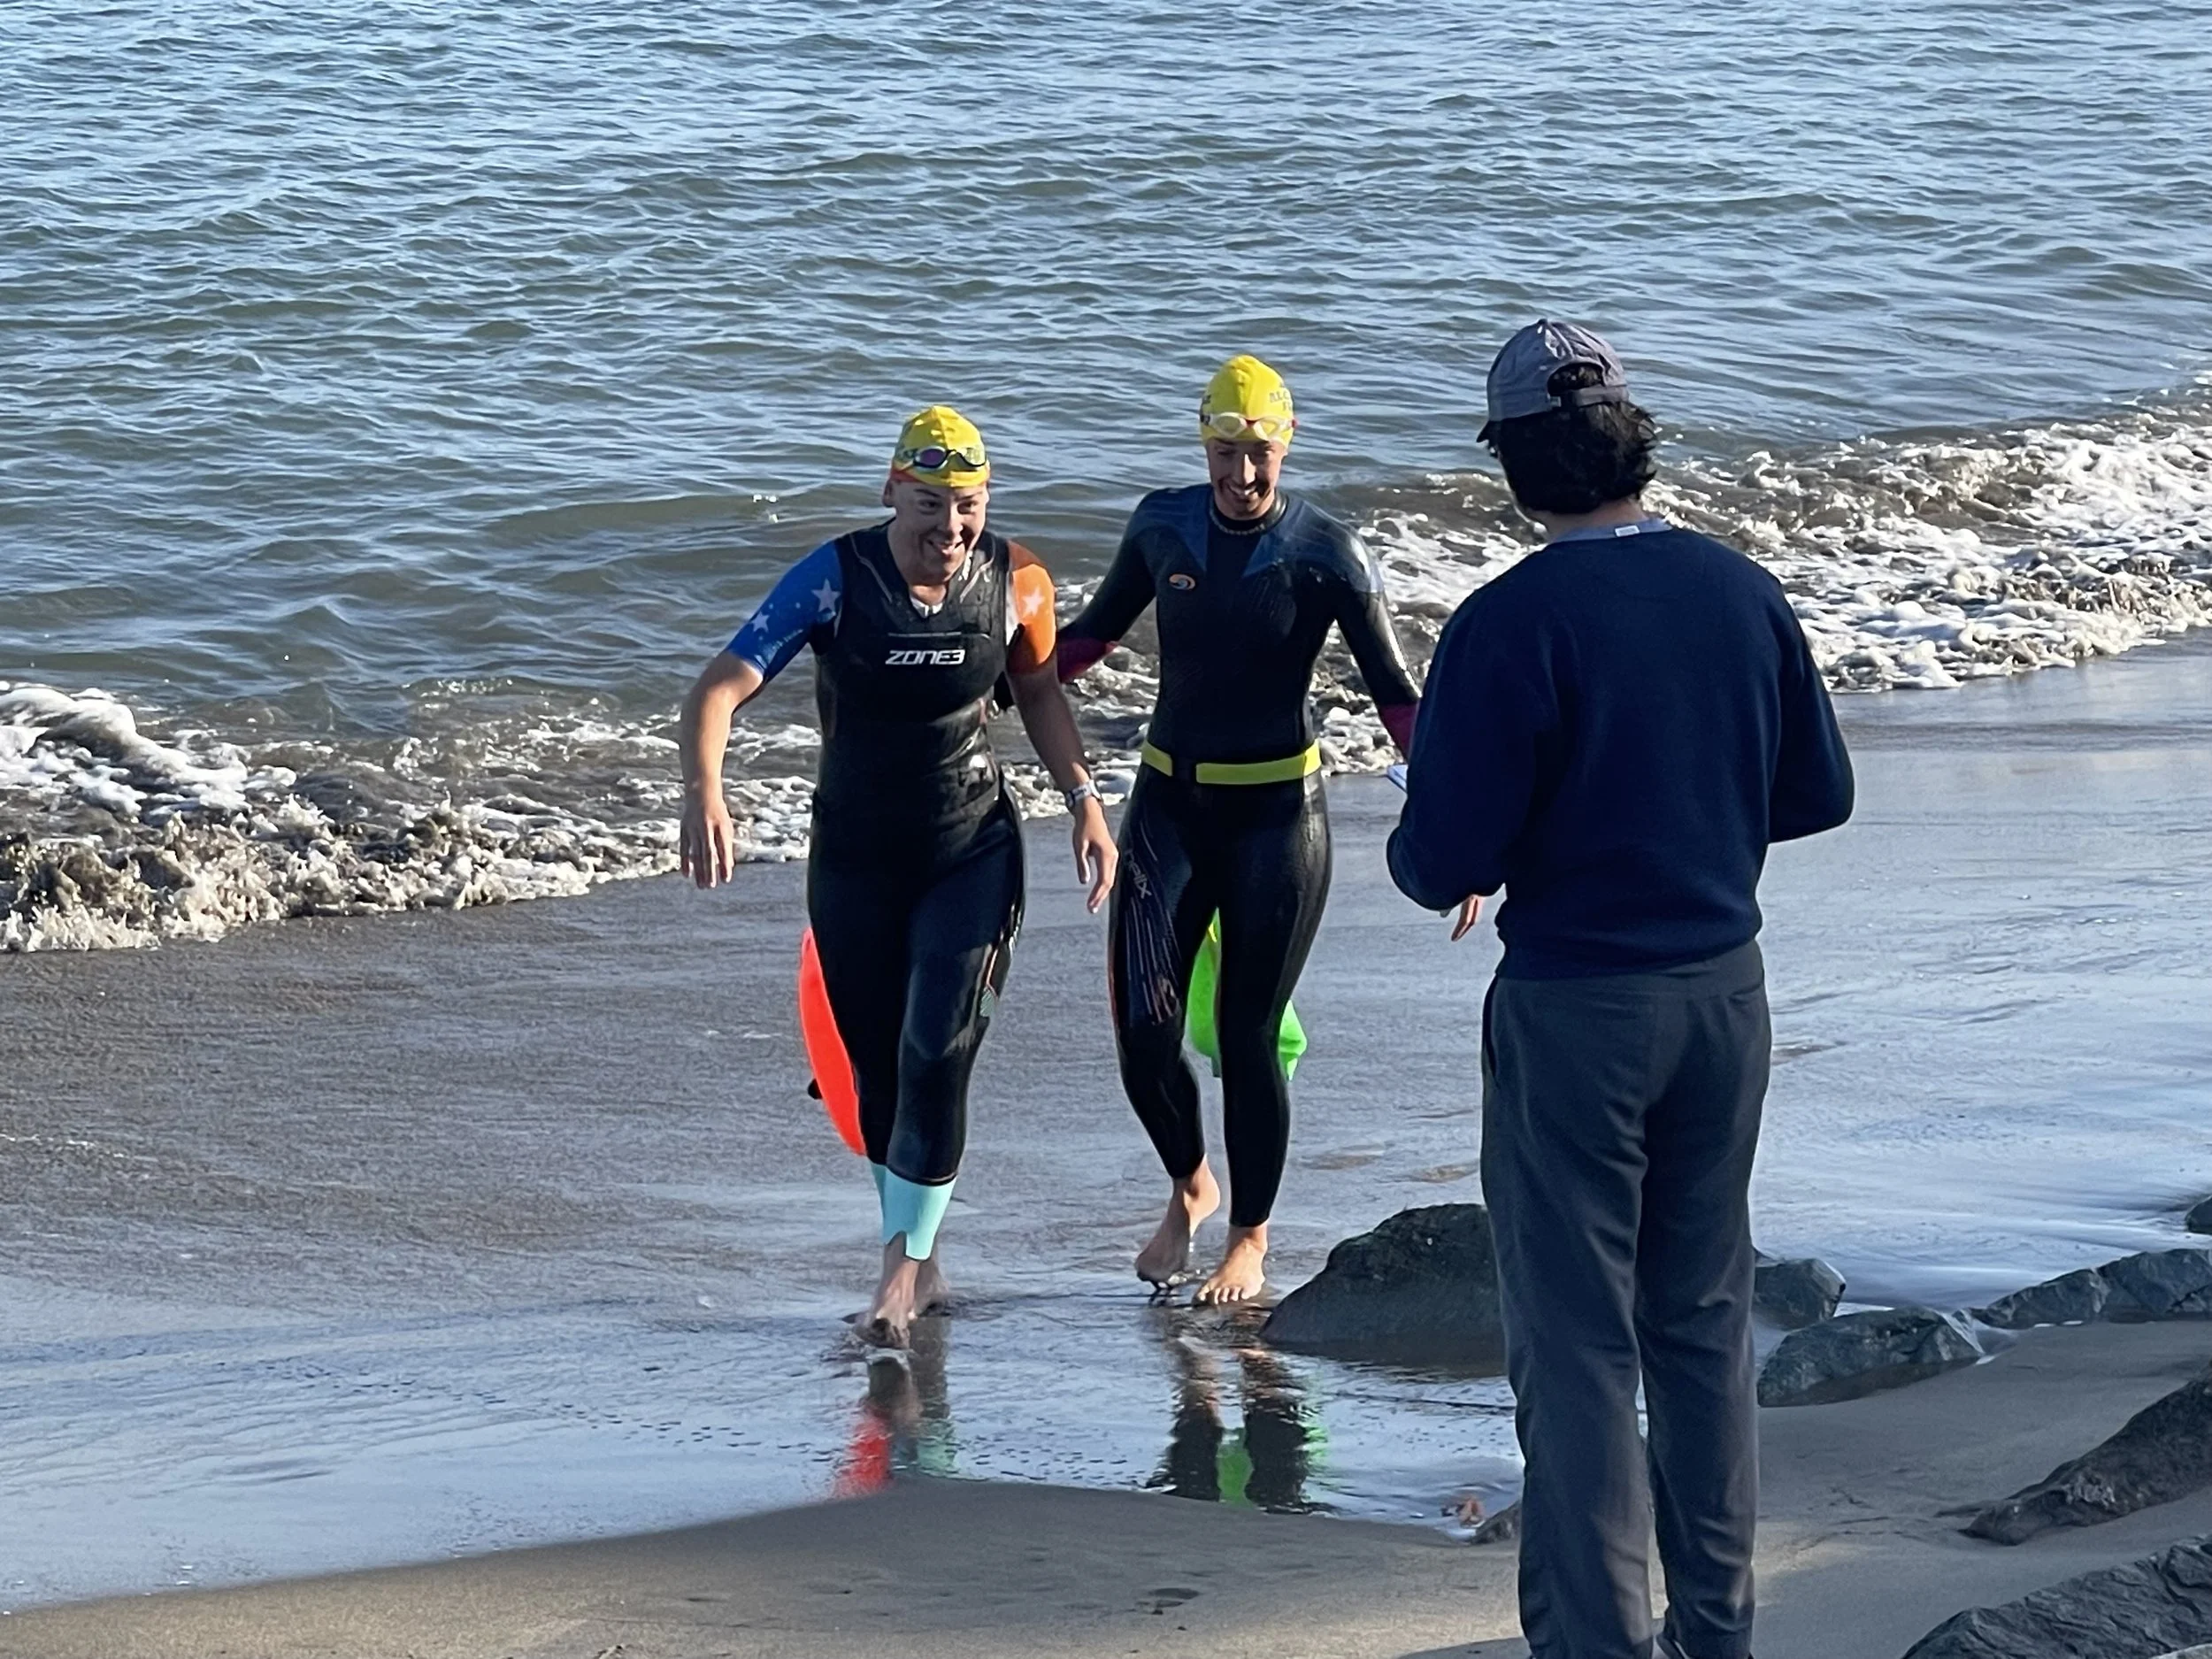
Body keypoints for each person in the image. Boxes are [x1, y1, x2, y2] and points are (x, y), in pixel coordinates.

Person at [1387, 321, 1855, 1659]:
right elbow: (1818, 792)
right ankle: (1719, 1631)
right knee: (1702, 1327)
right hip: (1723, 990)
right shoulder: (1738, 590)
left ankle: (1598, 1641)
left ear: (1516, 466)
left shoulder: (1507, 622)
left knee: (1578, 1346)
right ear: (1632, 438)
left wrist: (1443, 824)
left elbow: (1442, 861)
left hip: (1577, 1003)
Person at [680, 406, 1117, 1348]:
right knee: (878, 1069)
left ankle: (898, 1275)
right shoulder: (834, 579)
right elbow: (719, 686)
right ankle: (918, 1252)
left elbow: (1040, 692)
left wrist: (1083, 798)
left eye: (968, 506)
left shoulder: (1019, 582)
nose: (949, 528)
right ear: (891, 492)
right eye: (929, 505)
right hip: (855, 857)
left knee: (935, 1049)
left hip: (972, 850)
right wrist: (704, 790)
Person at [1058, 356, 1421, 1304]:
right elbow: (1088, 640)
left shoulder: (1327, 552)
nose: (1243, 474)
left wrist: (1454, 815)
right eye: (1226, 452)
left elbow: (1397, 699)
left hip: (1278, 819)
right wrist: (994, 682)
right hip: (1167, 809)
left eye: (1259, 453)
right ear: (1203, 443)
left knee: (1245, 1031)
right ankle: (1190, 1183)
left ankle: (1250, 1237)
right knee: (1143, 1032)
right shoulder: (1162, 526)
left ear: (1286, 445)